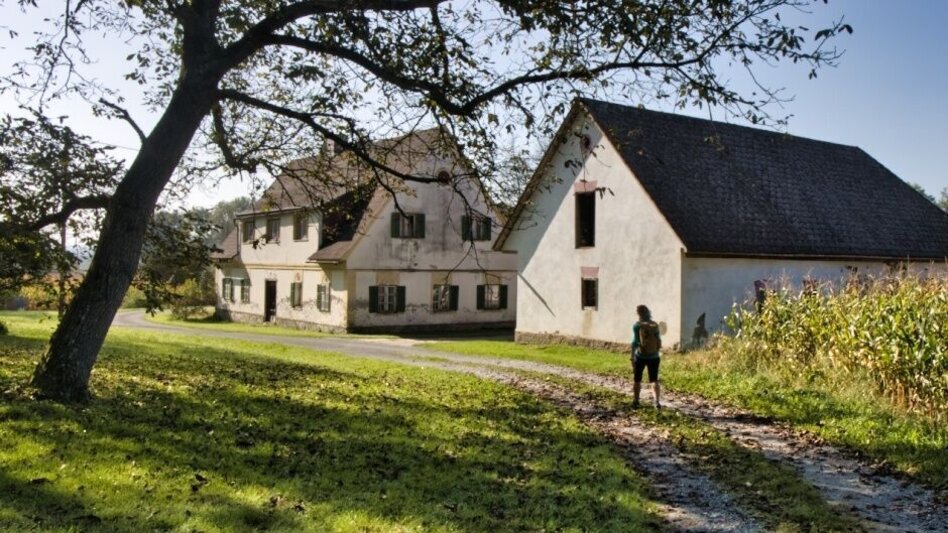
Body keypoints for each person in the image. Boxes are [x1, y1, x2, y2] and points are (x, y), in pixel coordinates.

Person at [631, 304, 662, 408]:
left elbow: (635, 342)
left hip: (640, 356)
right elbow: (659, 340)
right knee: (654, 380)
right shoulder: (654, 325)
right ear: (648, 312)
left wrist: (632, 356)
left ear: (638, 314)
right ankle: (656, 402)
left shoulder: (637, 326)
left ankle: (636, 401)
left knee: (637, 380)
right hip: (654, 356)